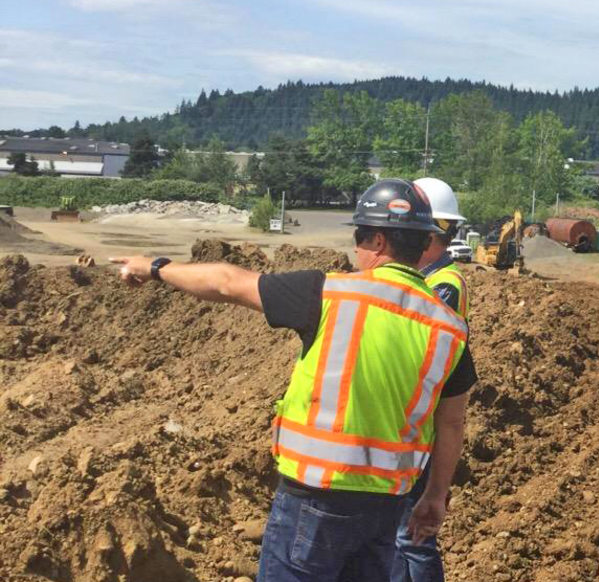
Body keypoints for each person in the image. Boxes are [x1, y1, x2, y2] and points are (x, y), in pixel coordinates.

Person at [112, 178, 476, 582]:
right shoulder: (449, 328)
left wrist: (155, 267)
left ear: (376, 241)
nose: (355, 249)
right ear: (422, 242)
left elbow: (226, 282)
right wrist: (435, 496)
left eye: (358, 238)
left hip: (315, 496)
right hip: (387, 505)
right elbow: (452, 423)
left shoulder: (329, 293)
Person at [391, 177, 471, 582]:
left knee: (412, 537)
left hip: (421, 425)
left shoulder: (443, 285)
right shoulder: (433, 278)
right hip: (416, 422)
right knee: (400, 535)